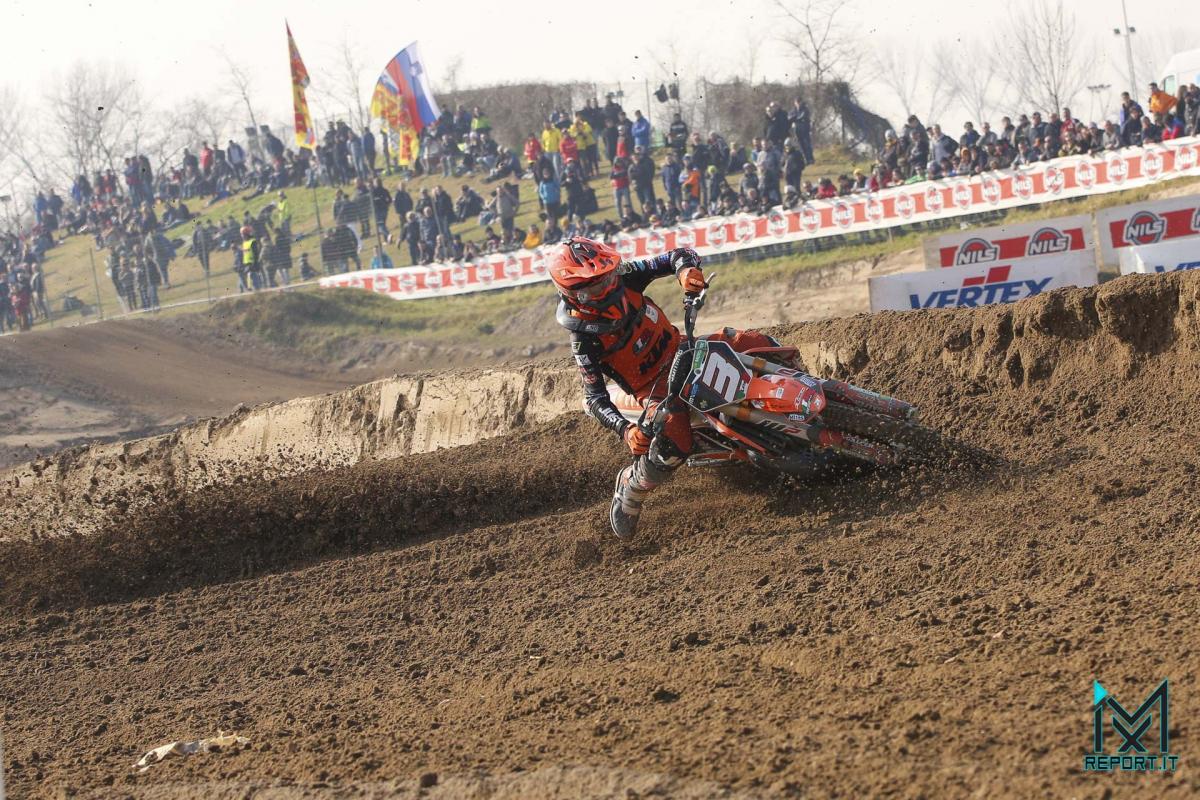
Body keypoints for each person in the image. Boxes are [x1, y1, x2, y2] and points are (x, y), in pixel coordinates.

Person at [549, 237, 781, 539]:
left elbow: (676, 255)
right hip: (654, 388)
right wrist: (625, 430)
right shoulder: (583, 338)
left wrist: (686, 272)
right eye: (596, 287)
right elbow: (594, 399)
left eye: (607, 277)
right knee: (675, 442)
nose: (607, 287)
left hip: (686, 349)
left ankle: (808, 384)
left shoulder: (625, 277)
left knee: (753, 342)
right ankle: (632, 486)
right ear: (573, 292)